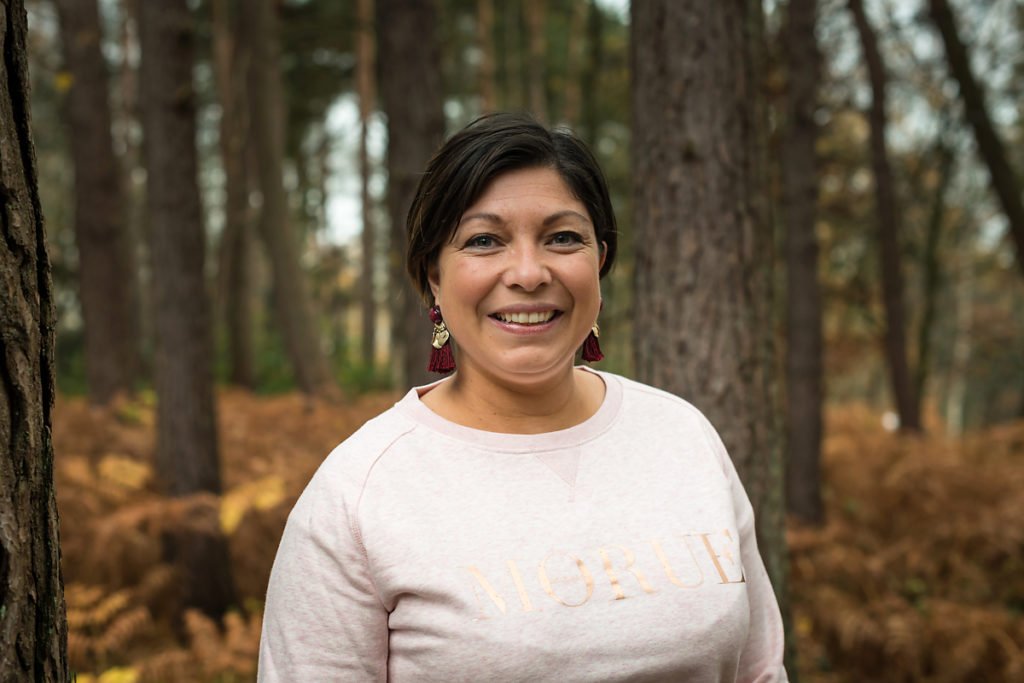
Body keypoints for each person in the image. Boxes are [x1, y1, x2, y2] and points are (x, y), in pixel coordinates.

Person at [258, 113, 787, 682]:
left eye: (563, 237)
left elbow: (761, 672)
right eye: (484, 241)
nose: (529, 273)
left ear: (600, 260)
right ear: (433, 274)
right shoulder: (360, 492)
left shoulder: (683, 436)